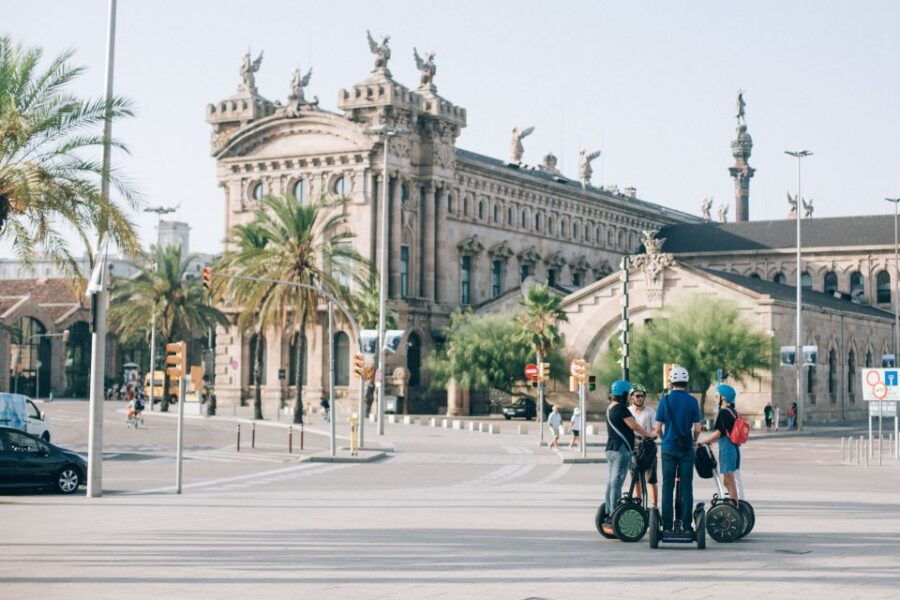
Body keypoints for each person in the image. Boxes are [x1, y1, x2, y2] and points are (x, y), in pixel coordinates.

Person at [653, 365, 702, 532]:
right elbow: (697, 428)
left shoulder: (664, 401)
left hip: (668, 449)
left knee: (667, 487)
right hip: (686, 449)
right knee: (687, 486)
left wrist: (664, 438)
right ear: (686, 382)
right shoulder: (692, 401)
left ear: (671, 382)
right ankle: (687, 526)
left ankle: (667, 526)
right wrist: (694, 440)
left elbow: (658, 428)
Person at [604, 380, 656, 518]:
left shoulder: (610, 407)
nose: (629, 398)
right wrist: (650, 435)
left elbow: (625, 429)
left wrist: (640, 437)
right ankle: (615, 514)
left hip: (610, 449)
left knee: (611, 482)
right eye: (628, 394)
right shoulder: (621, 408)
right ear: (624, 393)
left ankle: (609, 511)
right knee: (617, 483)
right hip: (621, 450)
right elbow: (635, 426)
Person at [697, 384, 741, 501]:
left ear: (724, 397)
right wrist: (710, 441)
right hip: (734, 449)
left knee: (728, 481)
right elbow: (724, 432)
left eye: (717, 396)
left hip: (727, 450)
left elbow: (717, 433)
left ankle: (733, 507)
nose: (715, 398)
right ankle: (734, 505)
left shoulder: (724, 412)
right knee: (729, 480)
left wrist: (702, 441)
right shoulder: (733, 412)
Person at [628, 383, 658, 508]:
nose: (640, 398)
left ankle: (654, 506)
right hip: (633, 448)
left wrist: (652, 435)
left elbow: (656, 429)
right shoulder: (628, 412)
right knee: (635, 480)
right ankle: (638, 505)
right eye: (638, 396)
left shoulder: (650, 412)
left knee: (651, 479)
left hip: (647, 447)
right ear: (631, 397)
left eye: (642, 396)